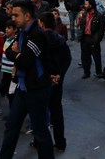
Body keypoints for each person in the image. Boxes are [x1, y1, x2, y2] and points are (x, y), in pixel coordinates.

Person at [0, 0, 54, 159]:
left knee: (40, 130)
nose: (12, 18)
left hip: (37, 90)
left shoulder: (37, 35)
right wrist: (17, 53)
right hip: (23, 88)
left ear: (27, 16)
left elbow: (24, 61)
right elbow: (8, 51)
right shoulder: (23, 32)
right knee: (12, 126)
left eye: (16, 15)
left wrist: (17, 54)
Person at [37, 11, 72, 152]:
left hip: (43, 80)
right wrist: (59, 75)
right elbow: (67, 59)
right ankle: (60, 142)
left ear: (42, 23)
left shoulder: (39, 40)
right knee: (56, 112)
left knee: (40, 113)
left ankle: (40, 141)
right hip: (58, 80)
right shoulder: (60, 40)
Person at [79, 0, 105, 79]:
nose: (85, 6)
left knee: (96, 56)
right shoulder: (84, 14)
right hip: (85, 38)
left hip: (93, 38)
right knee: (85, 57)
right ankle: (86, 72)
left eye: (86, 4)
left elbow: (102, 29)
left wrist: (97, 39)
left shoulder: (99, 16)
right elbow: (82, 26)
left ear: (91, 5)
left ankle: (99, 72)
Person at [0, 20, 17, 107]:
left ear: (15, 30)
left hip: (11, 71)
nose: (6, 30)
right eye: (6, 28)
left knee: (11, 93)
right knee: (7, 91)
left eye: (9, 28)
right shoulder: (6, 39)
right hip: (5, 70)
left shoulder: (15, 42)